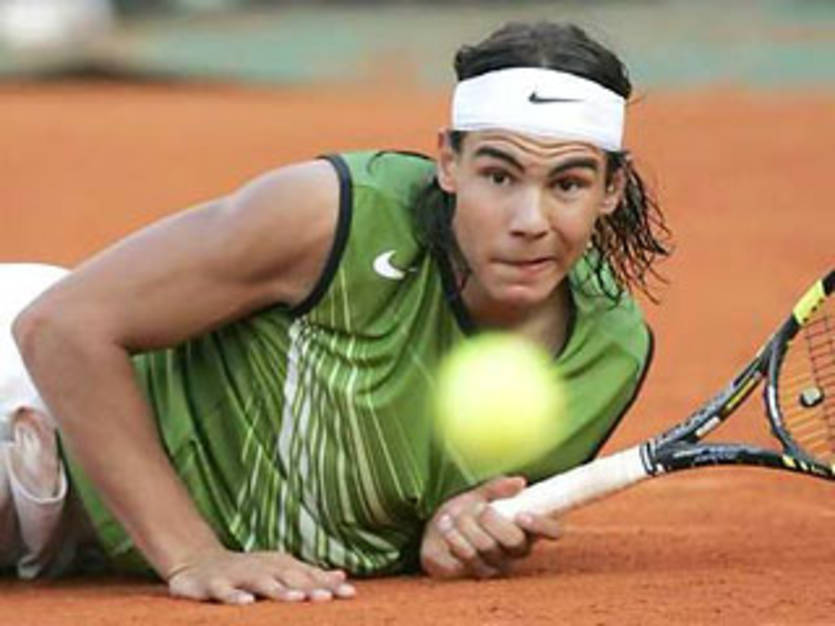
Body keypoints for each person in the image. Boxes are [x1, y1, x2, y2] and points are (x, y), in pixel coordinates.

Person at [3, 21, 669, 604]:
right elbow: (60, 327)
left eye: (568, 184)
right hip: (29, 409)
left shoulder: (605, 357)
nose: (530, 221)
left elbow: (431, 508)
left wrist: (453, 532)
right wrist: (193, 555)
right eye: (498, 176)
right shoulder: (329, 217)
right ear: (448, 163)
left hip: (88, 540)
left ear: (611, 187)